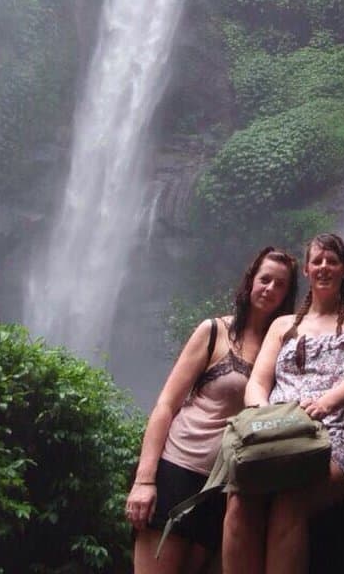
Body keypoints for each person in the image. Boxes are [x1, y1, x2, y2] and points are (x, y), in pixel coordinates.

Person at [126, 246, 298, 574]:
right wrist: (145, 480)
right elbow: (166, 405)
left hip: (226, 486)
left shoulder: (283, 351)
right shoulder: (214, 331)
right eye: (265, 279)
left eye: (280, 285)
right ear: (250, 282)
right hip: (179, 468)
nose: (270, 289)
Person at [221, 232, 344, 574]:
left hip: (335, 437)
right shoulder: (284, 324)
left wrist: (325, 403)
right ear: (307, 270)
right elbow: (258, 383)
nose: (324, 266)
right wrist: (265, 417)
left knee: (289, 501)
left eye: (332, 261)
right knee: (240, 498)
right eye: (317, 260)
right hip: (278, 433)